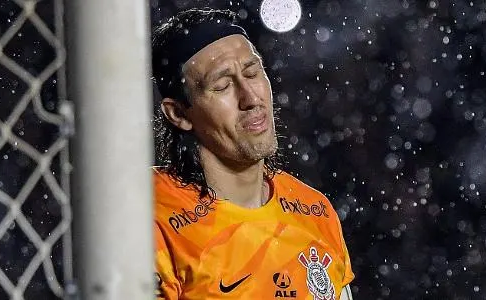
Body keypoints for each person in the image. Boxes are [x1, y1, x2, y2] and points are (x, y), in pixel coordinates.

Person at [151, 7, 354, 299]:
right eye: (222, 86)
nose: (251, 98)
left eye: (253, 73)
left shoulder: (315, 212)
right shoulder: (152, 211)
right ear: (179, 114)